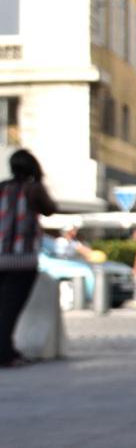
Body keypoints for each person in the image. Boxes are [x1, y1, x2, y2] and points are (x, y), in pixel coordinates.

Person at [0, 150, 57, 368]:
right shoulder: (34, 189)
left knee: (2, 308)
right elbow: (51, 209)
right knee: (10, 309)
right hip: (22, 259)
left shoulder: (2, 187)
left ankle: (7, 349)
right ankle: (5, 354)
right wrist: (39, 180)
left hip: (0, 256)